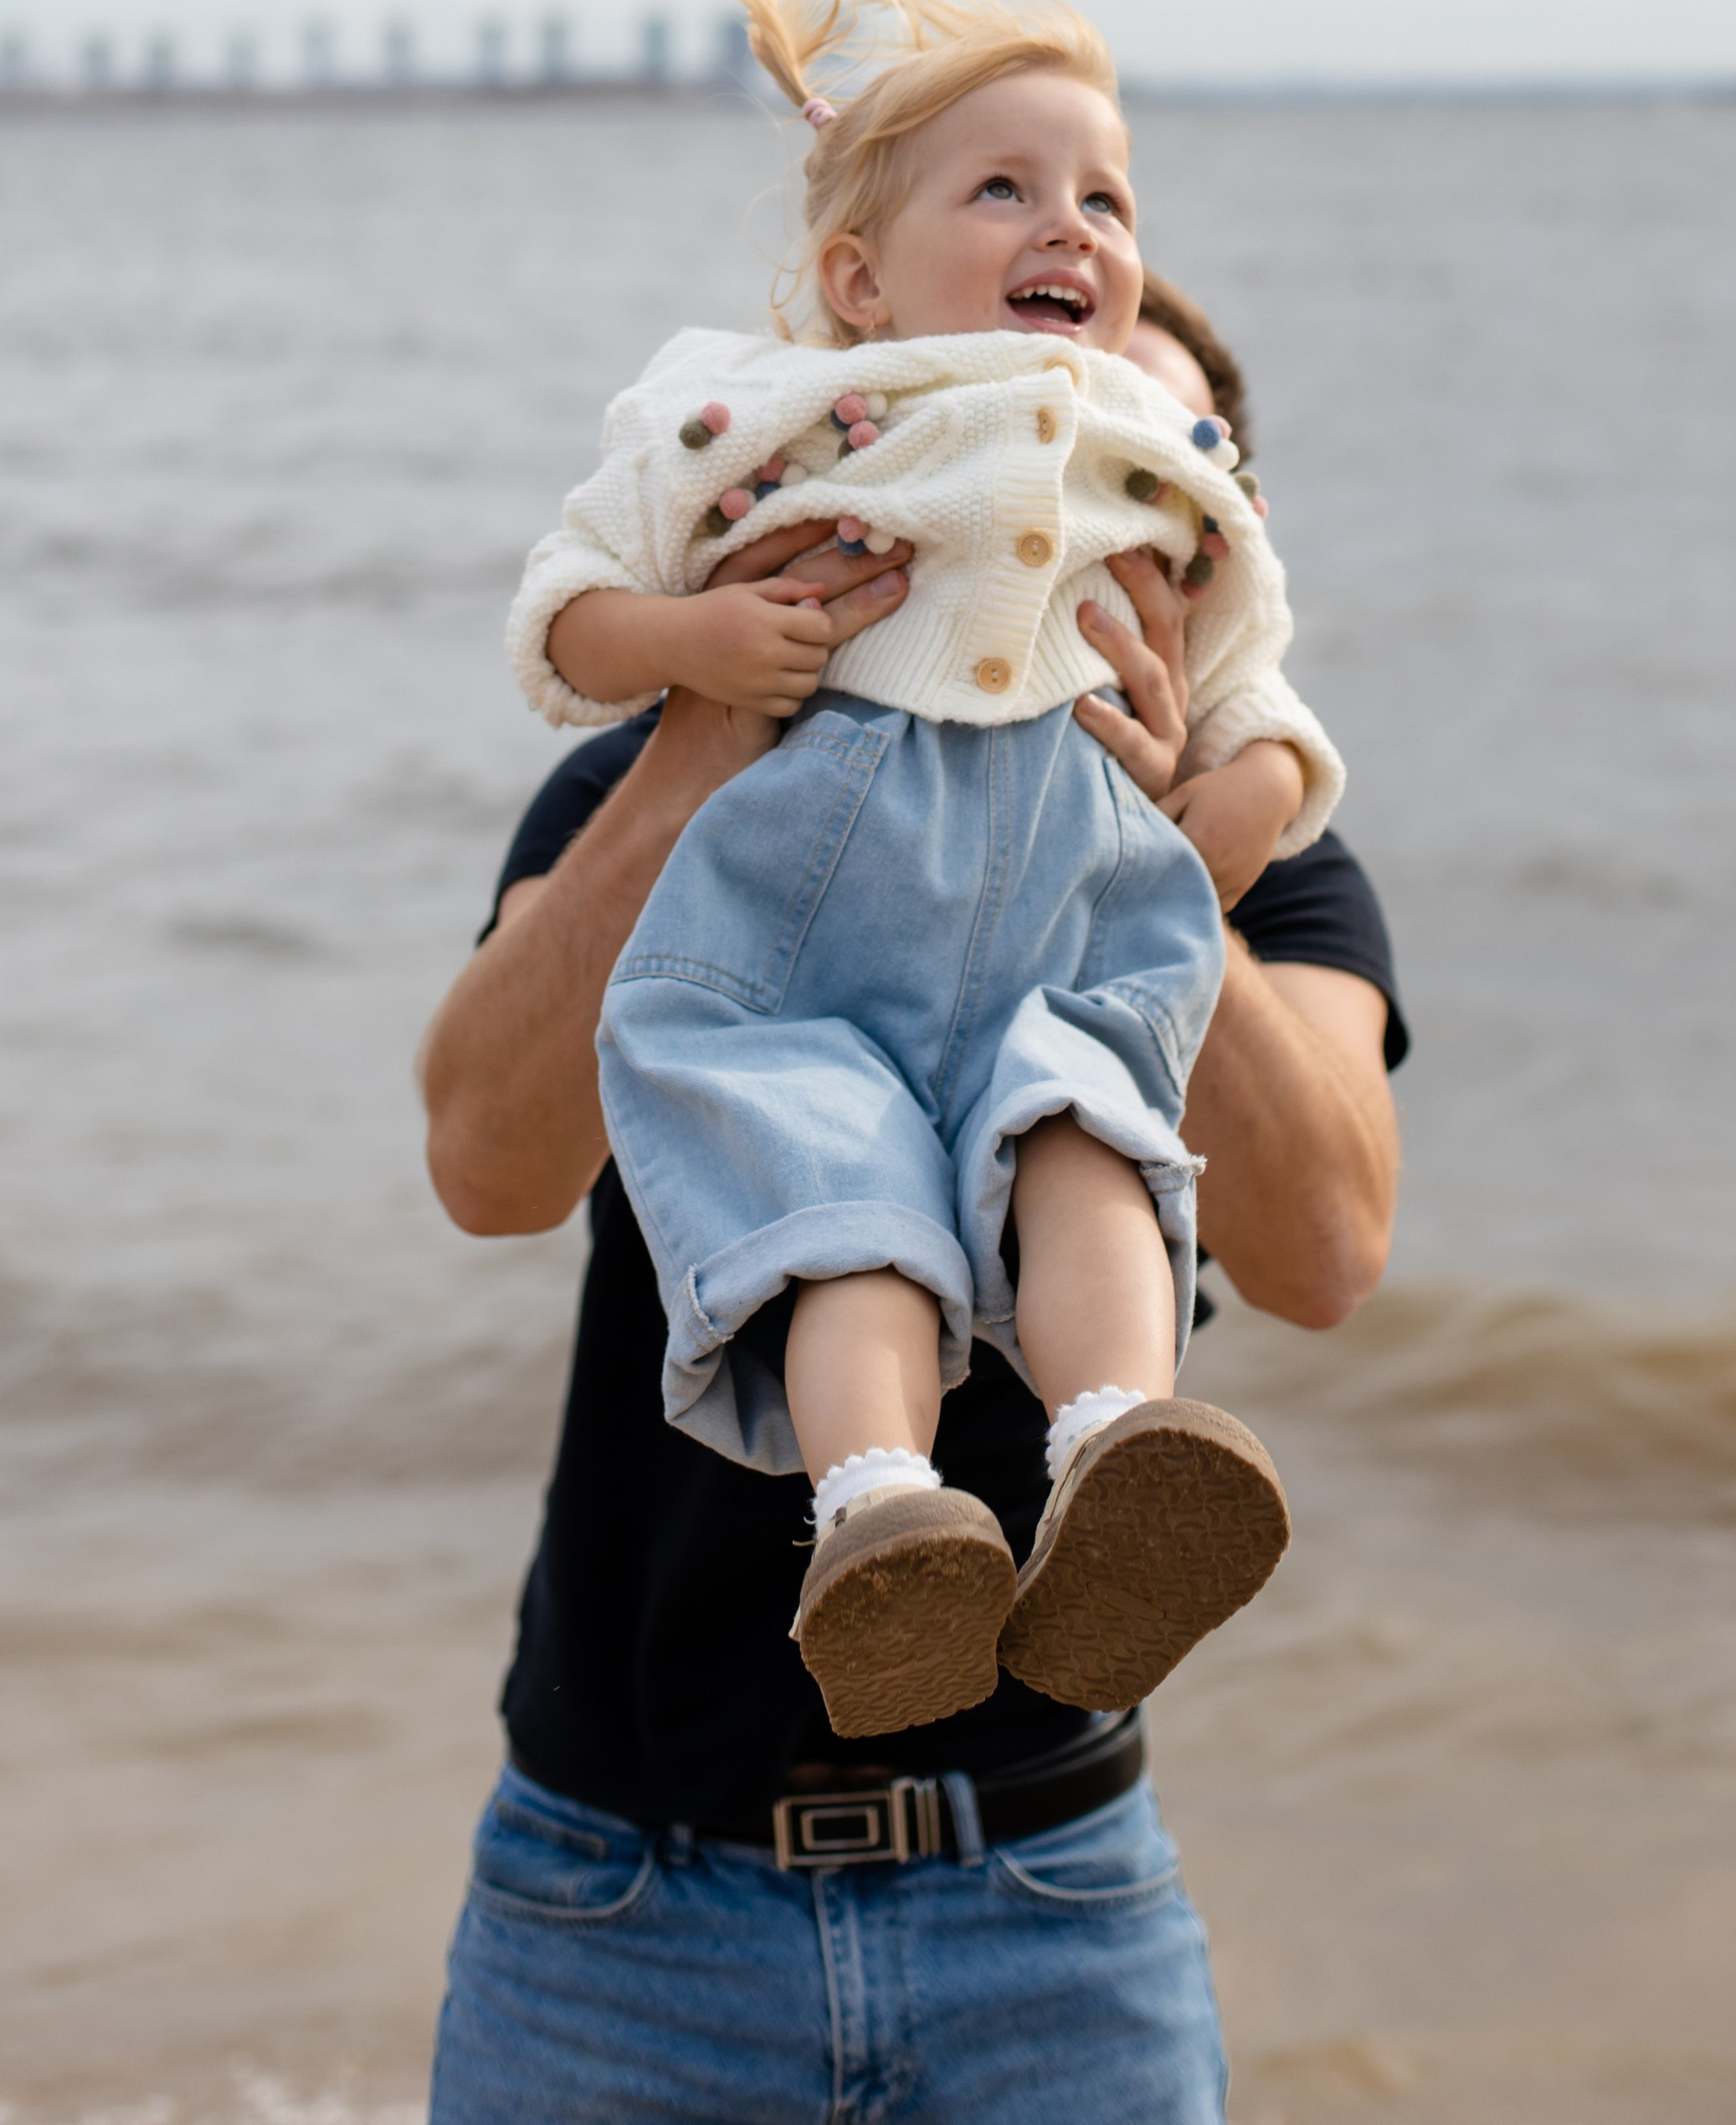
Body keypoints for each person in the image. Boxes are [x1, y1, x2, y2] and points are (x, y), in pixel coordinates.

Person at [417, 255, 1406, 2124]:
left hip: (1045, 1886)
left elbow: (1331, 1250)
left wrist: (1151, 872)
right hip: (617, 1886)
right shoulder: (701, 789)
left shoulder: (1268, 862)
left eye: (1111, 471)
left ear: (1193, 555)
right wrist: (710, 738)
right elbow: (485, 1163)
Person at [501, 0, 1344, 1737]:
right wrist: (696, 665)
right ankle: (879, 1510)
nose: (1071, 227)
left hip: (1068, 911)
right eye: (1006, 188)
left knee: (1093, 1138)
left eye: (1104, 198)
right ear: (855, 287)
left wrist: (1212, 818)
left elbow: (1263, 694)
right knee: (836, 1213)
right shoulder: (769, 425)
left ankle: (1117, 1448)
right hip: (802, 941)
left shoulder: (1154, 479)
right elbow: (567, 607)